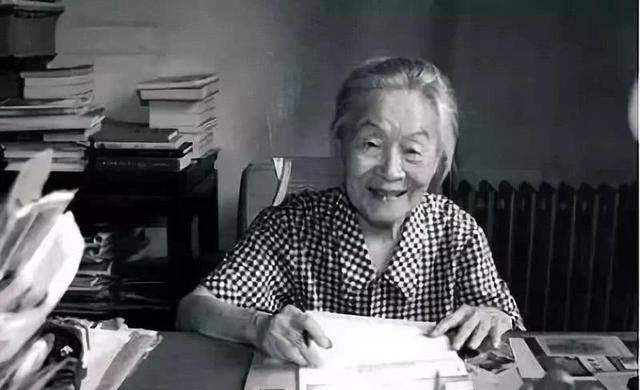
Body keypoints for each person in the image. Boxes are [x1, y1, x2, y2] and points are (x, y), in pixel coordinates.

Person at [177, 57, 524, 367]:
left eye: (413, 151)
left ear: (439, 161)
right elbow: (193, 309)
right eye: (371, 144)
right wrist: (257, 326)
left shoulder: (458, 232)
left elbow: (509, 329)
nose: (391, 171)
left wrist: (496, 320)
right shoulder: (291, 226)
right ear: (342, 146)